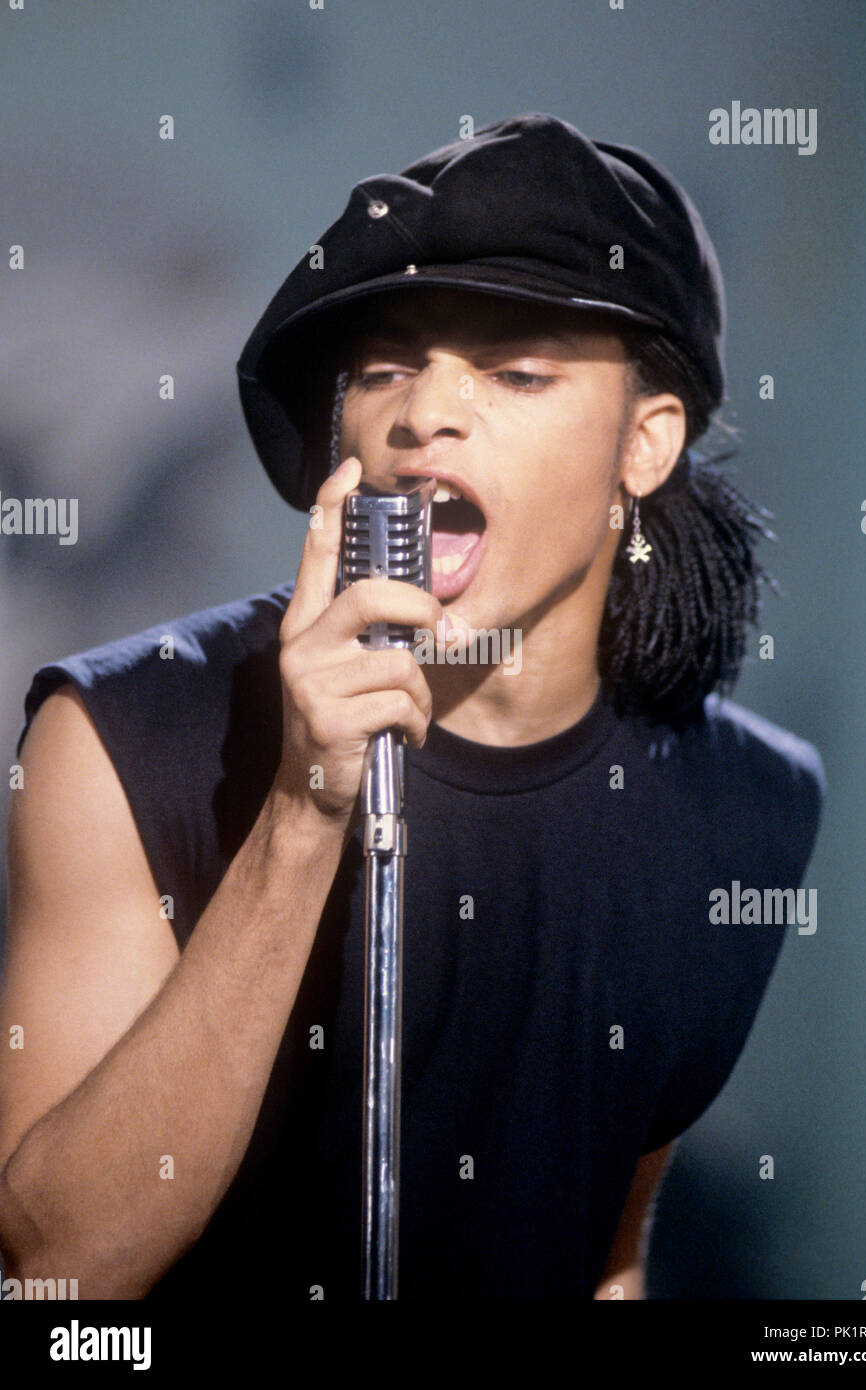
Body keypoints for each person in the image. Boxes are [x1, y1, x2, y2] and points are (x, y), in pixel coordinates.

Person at [0, 113, 824, 1302]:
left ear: (646, 444)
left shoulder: (751, 804)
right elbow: (62, 1275)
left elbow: (609, 1254)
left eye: (516, 369)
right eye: (386, 367)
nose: (424, 412)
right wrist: (303, 809)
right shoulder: (122, 740)